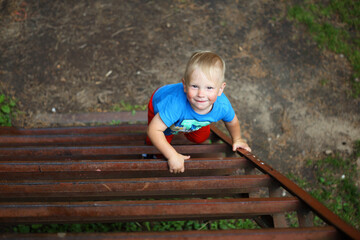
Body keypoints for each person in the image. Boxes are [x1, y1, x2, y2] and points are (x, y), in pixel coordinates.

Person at [146, 51, 251, 173]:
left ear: (220, 89)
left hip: (187, 118)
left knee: (201, 137)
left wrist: (237, 139)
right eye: (195, 86)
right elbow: (154, 130)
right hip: (159, 106)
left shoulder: (222, 106)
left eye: (209, 88)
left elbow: (232, 121)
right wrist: (171, 155)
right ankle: (151, 153)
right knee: (162, 138)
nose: (201, 94)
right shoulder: (175, 105)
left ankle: (186, 130)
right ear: (185, 85)